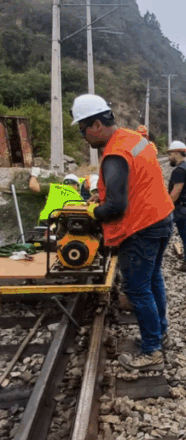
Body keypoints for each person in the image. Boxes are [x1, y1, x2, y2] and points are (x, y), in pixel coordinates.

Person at [71, 93, 174, 372]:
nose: (83, 137)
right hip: (162, 218)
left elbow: (116, 208)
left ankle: (152, 350)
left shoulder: (115, 154)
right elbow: (133, 183)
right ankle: (161, 332)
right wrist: (101, 197)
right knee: (153, 280)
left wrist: (94, 212)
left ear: (95, 125)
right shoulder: (132, 138)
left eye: (82, 129)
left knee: (138, 289)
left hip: (141, 227)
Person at [167, 141, 186, 271]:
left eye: (170, 154)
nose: (169, 158)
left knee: (185, 235)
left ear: (176, 153)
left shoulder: (179, 171)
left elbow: (176, 192)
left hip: (182, 209)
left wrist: (165, 208)